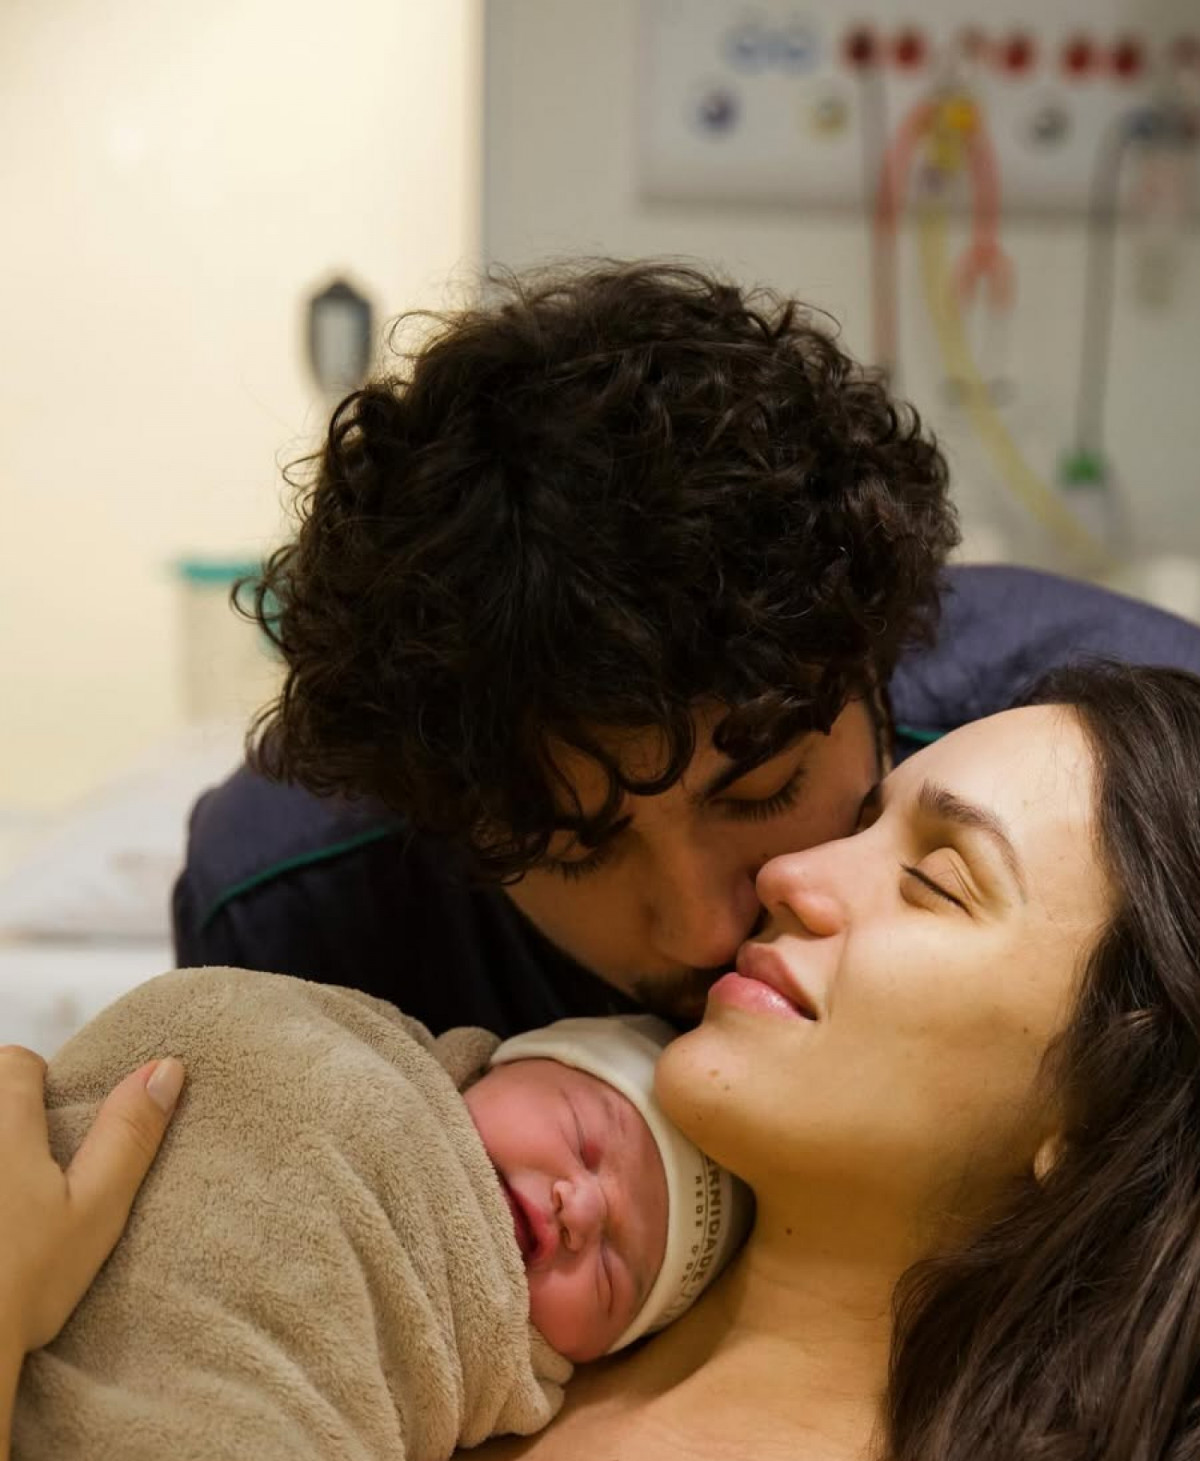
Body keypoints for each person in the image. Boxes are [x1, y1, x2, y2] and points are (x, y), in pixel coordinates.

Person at [5, 660, 1200, 1461]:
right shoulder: (522, 1248)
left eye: (935, 881)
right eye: (864, 820)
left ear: (1108, 1105)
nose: (792, 876)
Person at [172, 263, 1200, 1041]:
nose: (705, 931)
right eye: (573, 850)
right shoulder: (295, 911)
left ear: (876, 664)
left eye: (762, 790)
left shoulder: (1144, 774)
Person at [8, 978, 748, 1461]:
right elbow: (217, 1030)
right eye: (584, 1139)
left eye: (615, 1274)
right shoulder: (354, 1063)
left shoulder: (480, 1397)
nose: (580, 1210)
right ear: (502, 1062)